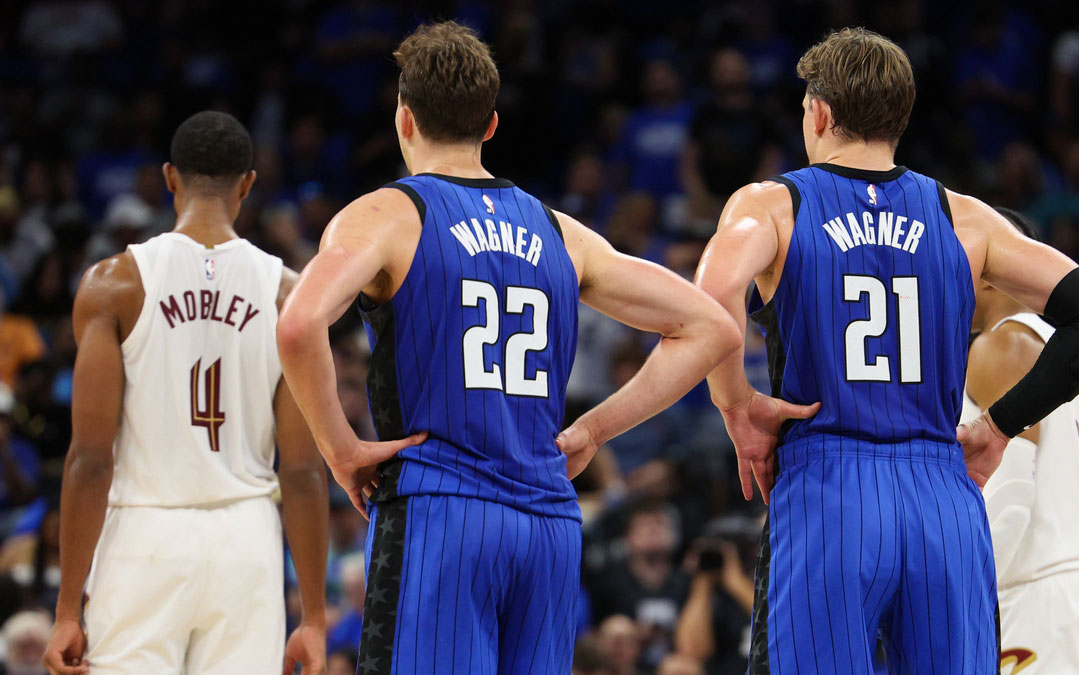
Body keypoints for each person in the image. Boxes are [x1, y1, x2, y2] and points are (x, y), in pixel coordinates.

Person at [276, 21, 744, 675]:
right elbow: (713, 327)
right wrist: (593, 430)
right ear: (491, 125)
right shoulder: (562, 232)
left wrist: (340, 449)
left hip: (442, 512)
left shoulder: (385, 215)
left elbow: (298, 326)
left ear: (404, 119)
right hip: (547, 523)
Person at [694, 28, 1079, 673]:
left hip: (830, 487)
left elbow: (711, 296)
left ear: (818, 112)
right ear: (900, 120)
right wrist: (1000, 426)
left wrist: (737, 407)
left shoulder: (774, 204)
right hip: (942, 492)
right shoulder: (967, 218)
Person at [42, 112, 329, 675]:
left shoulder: (113, 284)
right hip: (246, 539)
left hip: (144, 537)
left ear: (169, 178)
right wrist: (314, 617)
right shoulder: (289, 295)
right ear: (248, 184)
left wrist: (66, 607)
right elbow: (302, 471)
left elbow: (90, 458)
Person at [962, 207, 1079, 673]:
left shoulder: (1003, 345)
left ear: (995, 274)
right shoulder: (1052, 350)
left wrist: (955, 596)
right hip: (1077, 594)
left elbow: (1011, 497)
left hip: (1041, 597)